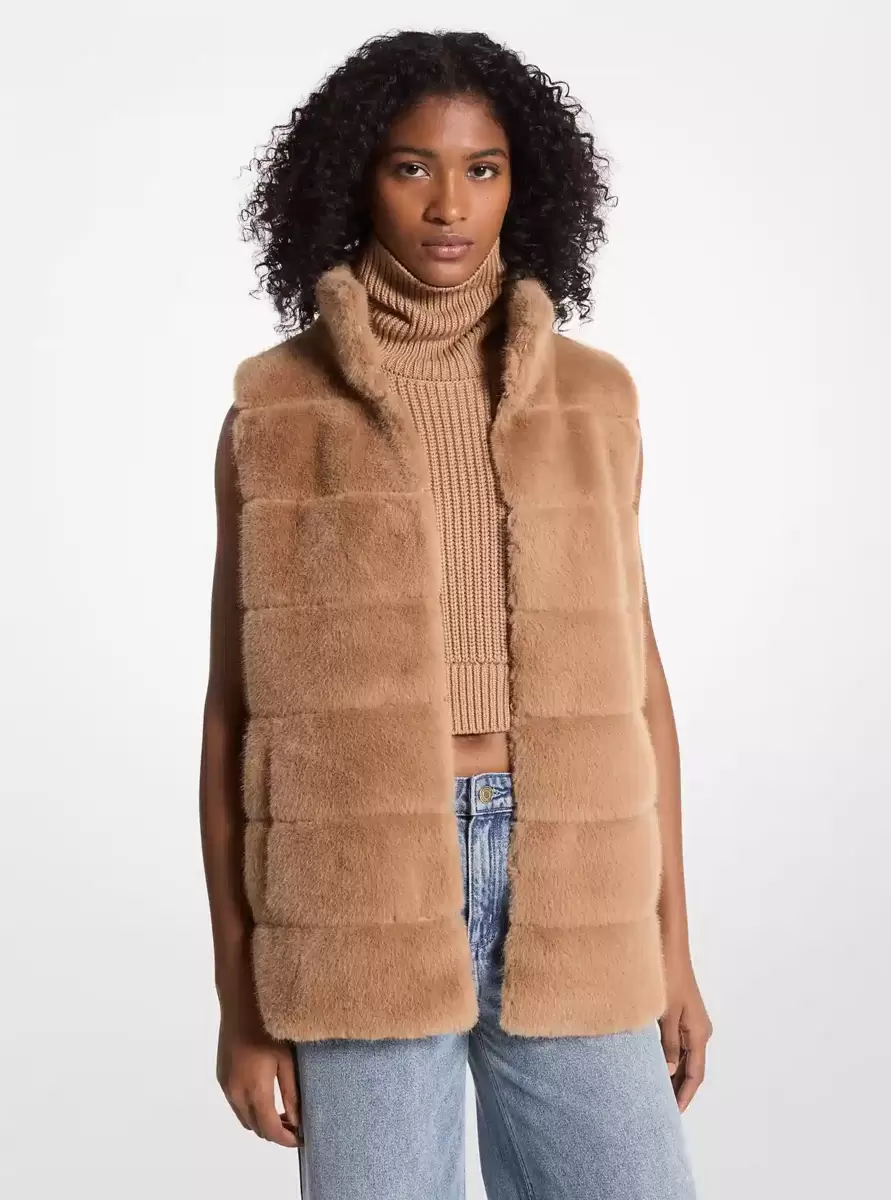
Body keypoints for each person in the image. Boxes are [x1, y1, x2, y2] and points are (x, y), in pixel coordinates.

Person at [200, 28, 712, 1199]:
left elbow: (640, 687)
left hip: (576, 878)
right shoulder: (275, 411)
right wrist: (240, 996)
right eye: (411, 166)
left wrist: (672, 949)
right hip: (352, 894)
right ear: (357, 178)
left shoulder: (594, 401)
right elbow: (235, 718)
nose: (449, 205)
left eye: (482, 168)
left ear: (523, 185)